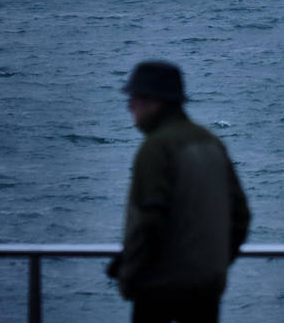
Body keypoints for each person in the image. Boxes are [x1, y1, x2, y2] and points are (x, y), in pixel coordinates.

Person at [107, 60, 250, 323]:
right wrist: (216, 266)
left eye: (135, 99)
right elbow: (240, 216)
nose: (130, 107)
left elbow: (149, 223)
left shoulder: (156, 148)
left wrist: (129, 274)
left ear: (154, 102)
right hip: (206, 287)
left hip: (158, 289)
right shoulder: (211, 142)